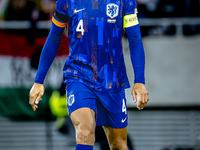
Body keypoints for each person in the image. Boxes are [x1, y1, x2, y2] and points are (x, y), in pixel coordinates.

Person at [29, 0, 149, 149]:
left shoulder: (124, 2)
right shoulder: (66, 2)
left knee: (119, 144)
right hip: (79, 76)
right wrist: (39, 80)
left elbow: (135, 39)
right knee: (85, 132)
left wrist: (139, 81)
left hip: (112, 80)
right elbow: (54, 37)